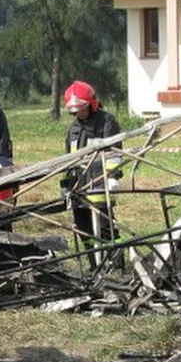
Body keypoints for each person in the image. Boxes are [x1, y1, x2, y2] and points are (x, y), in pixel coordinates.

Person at [61, 80, 123, 255]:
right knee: (83, 228)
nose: (77, 113)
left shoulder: (106, 122)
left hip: (99, 183)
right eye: (73, 110)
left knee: (106, 228)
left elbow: (114, 151)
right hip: (78, 186)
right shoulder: (73, 129)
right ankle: (93, 264)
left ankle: (115, 264)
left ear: (91, 104)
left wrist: (112, 176)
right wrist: (66, 185)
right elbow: (68, 160)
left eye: (80, 108)